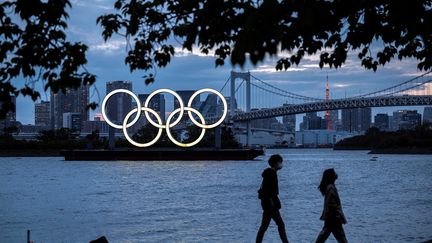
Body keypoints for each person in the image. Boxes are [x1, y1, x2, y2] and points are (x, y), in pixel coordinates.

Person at [256, 154, 289, 243]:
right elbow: (268, 190)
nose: (281, 164)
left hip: (271, 204)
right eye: (280, 162)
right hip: (270, 204)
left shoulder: (270, 173)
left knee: (279, 224)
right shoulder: (271, 174)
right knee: (265, 226)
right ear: (275, 163)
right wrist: (271, 203)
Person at [315, 168, 348, 243]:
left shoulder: (330, 187)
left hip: (331, 217)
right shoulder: (331, 188)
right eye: (334, 173)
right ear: (331, 176)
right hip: (333, 217)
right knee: (341, 238)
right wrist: (338, 215)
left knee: (324, 235)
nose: (336, 174)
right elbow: (331, 204)